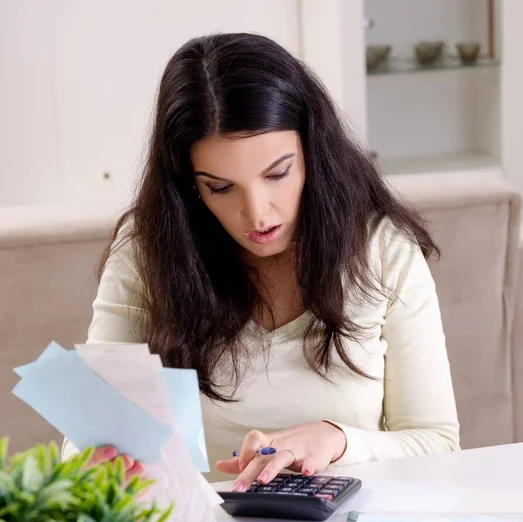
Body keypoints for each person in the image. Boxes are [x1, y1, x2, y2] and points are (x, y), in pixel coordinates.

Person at [62, 32, 460, 489]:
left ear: (314, 152)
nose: (257, 213)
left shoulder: (382, 250)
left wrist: (338, 441)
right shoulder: (148, 250)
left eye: (277, 174)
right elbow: (87, 436)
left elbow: (438, 443)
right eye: (220, 187)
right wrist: (95, 460)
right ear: (189, 185)